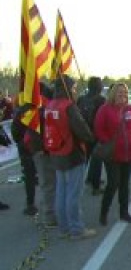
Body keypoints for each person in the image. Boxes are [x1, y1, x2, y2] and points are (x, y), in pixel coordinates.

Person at [45, 75, 96, 240]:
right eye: (74, 88)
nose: (75, 91)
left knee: (61, 192)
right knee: (73, 193)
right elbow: (82, 129)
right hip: (72, 153)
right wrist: (90, 136)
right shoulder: (69, 106)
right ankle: (76, 229)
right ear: (68, 88)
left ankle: (64, 228)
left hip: (56, 153)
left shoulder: (50, 105)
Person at [95, 83, 131, 225]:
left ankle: (124, 212)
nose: (123, 95)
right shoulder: (105, 109)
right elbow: (98, 128)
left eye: (125, 93)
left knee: (124, 184)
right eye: (120, 92)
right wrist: (108, 142)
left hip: (129, 153)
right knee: (113, 183)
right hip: (113, 154)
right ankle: (104, 212)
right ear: (113, 93)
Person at [26, 82, 58, 227]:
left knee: (47, 183)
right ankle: (48, 217)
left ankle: (46, 213)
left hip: (39, 149)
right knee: (48, 184)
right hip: (43, 151)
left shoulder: (36, 108)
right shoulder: (43, 110)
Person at [77, 77, 106, 195]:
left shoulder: (81, 99)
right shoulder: (101, 100)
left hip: (83, 133)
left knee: (85, 159)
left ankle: (86, 179)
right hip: (96, 133)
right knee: (97, 159)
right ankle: (96, 186)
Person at [10, 98, 38, 216]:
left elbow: (14, 131)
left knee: (29, 177)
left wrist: (20, 142)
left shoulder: (20, 112)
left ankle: (30, 204)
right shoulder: (37, 110)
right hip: (35, 148)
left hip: (25, 148)